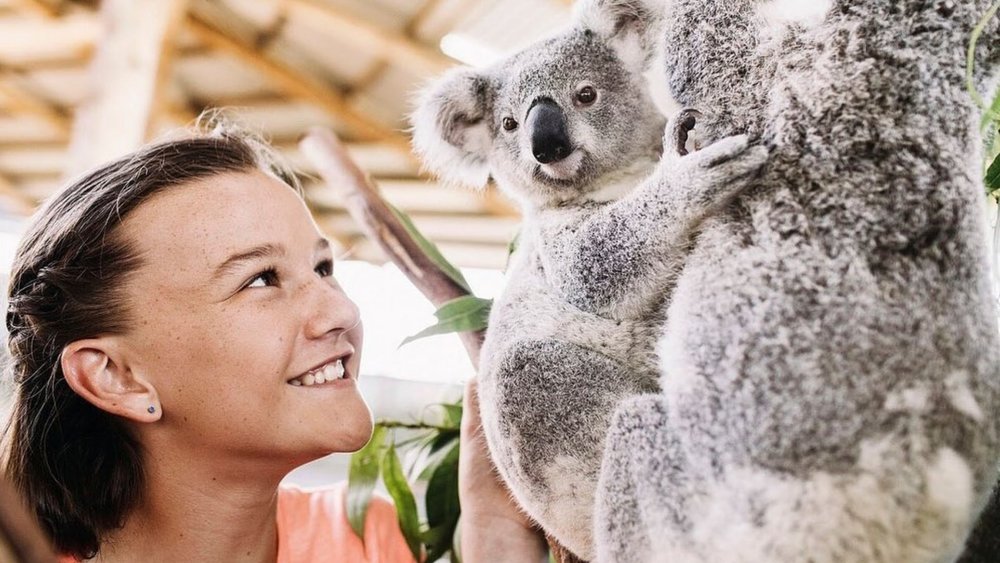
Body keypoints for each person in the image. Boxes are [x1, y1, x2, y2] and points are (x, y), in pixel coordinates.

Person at [0, 119, 545, 562]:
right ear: (115, 376)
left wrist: (498, 546)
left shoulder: (366, 541)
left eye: (323, 267)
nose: (342, 311)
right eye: (261, 279)